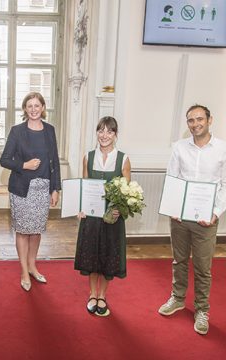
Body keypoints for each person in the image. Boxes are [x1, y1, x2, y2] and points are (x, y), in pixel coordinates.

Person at [158, 105, 226, 335]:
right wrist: (172, 207)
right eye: (190, 120)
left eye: (199, 119)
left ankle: (202, 310)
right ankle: (177, 298)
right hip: (180, 217)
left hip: (207, 219)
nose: (195, 124)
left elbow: (224, 186)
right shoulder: (179, 147)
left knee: (203, 267)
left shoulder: (222, 149)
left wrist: (215, 212)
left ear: (209, 120)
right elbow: (173, 178)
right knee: (179, 260)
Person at [0, 92, 61, 291]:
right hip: (22, 190)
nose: (34, 109)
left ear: (43, 108)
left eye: (37, 105)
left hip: (43, 190)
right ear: (25, 109)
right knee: (23, 231)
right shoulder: (17, 131)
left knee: (36, 231)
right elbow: (5, 159)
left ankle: (33, 266)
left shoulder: (50, 131)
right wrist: (24, 164)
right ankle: (24, 271)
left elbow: (55, 161)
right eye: (30, 106)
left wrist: (55, 188)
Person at [74, 116, 131, 317]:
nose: (104, 135)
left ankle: (102, 295)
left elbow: (127, 192)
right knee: (92, 256)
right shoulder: (88, 157)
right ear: (97, 133)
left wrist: (119, 209)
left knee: (108, 256)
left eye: (109, 131)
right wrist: (80, 207)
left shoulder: (123, 159)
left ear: (115, 135)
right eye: (101, 131)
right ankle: (92, 294)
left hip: (112, 218)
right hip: (91, 216)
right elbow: (84, 185)